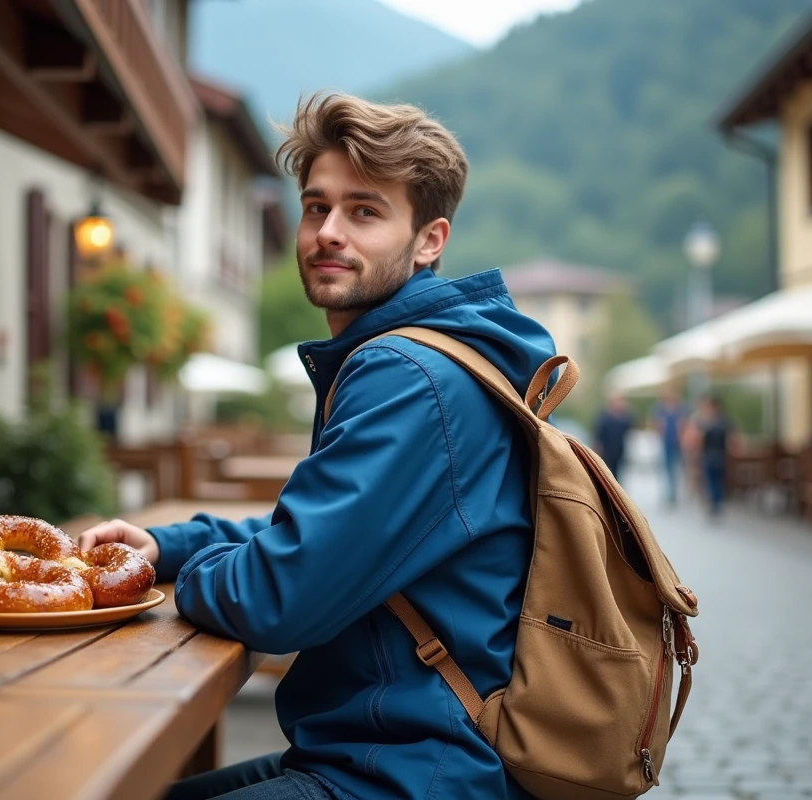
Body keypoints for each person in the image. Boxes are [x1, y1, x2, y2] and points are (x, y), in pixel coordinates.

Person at [79, 92, 555, 800]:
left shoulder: (409, 377)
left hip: (419, 771)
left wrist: (189, 575)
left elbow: (280, 599)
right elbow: (311, 537)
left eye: (364, 211)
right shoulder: (419, 359)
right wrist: (164, 547)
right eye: (316, 207)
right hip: (372, 749)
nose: (329, 231)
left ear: (430, 240)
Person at [650, 389, 689, 505]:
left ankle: (674, 492)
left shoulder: (681, 408)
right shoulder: (660, 408)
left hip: (679, 442)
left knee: (677, 467)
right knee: (667, 467)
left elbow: (686, 423)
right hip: (666, 441)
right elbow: (655, 422)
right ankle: (670, 492)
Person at [696, 394, 732, 517]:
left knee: (714, 480)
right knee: (714, 480)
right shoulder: (723, 420)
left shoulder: (710, 421)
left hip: (715, 454)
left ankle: (715, 502)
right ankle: (716, 502)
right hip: (714, 454)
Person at [593, 394, 633, 481]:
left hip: (619, 451)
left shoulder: (624, 417)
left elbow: (630, 426)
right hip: (606, 451)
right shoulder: (604, 417)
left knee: (616, 474)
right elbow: (598, 433)